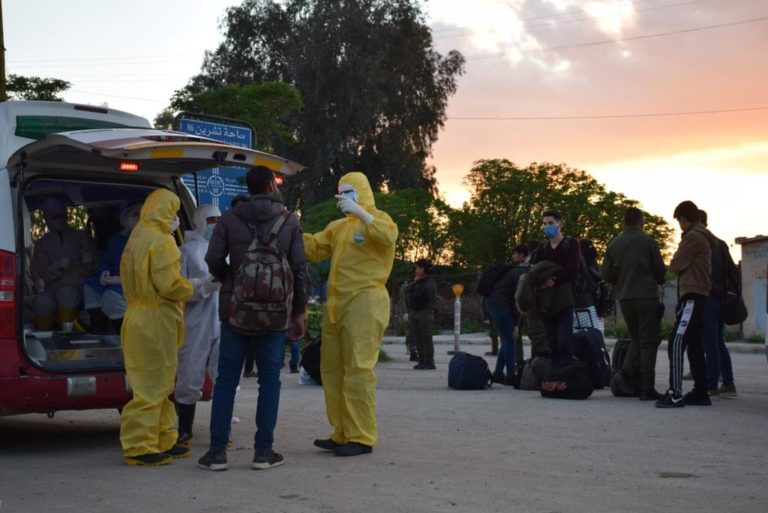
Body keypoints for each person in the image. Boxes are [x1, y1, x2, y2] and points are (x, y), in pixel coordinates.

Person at [198, 166, 308, 471]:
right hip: (275, 316)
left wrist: (231, 279)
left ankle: (217, 453)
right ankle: (263, 452)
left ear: (248, 188)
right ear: (272, 186)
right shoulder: (289, 221)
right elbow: (300, 270)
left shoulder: (230, 219)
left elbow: (212, 259)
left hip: (235, 311)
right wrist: (298, 312)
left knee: (225, 381)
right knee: (270, 381)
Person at [303, 171, 398, 457]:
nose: (343, 198)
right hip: (337, 304)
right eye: (341, 193)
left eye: (349, 192)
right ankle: (341, 432)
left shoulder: (379, 219)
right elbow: (315, 248)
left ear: (362, 192)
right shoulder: (338, 226)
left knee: (358, 369)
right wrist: (288, 226)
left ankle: (361, 436)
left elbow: (388, 237)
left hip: (365, 301)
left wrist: (363, 214)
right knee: (332, 370)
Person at [119, 189, 195, 466]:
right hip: (156, 319)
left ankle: (162, 438)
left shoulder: (136, 238)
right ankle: (140, 446)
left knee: (158, 382)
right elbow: (170, 285)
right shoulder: (161, 241)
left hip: (138, 316)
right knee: (152, 385)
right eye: (174, 212)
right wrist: (194, 287)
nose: (175, 218)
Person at [601, 207, 666, 400]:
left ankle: (623, 375)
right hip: (646, 296)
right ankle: (646, 388)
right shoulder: (647, 241)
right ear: (641, 222)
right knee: (649, 342)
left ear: (624, 222)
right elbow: (660, 270)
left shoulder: (614, 244)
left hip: (625, 297)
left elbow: (605, 273)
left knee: (637, 338)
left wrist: (620, 281)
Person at [656, 200, 713, 408]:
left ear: (684, 219)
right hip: (698, 294)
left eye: (679, 221)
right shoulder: (702, 236)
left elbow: (676, 264)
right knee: (695, 345)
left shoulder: (693, 237)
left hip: (692, 294)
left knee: (677, 341)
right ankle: (700, 391)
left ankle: (675, 392)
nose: (679, 225)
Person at [174, 205, 223, 447]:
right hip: (195, 319)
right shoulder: (186, 251)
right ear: (200, 221)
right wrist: (204, 285)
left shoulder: (226, 250)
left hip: (222, 318)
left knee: (223, 371)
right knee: (190, 369)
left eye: (218, 219)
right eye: (211, 219)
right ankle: (185, 429)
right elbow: (178, 288)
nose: (215, 223)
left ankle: (221, 427)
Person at [31, 198, 98, 330]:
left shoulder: (82, 236)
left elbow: (96, 267)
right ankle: (45, 338)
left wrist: (89, 262)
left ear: (65, 215)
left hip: (79, 286)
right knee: (41, 301)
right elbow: (41, 273)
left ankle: (68, 333)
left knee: (65, 293)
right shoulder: (42, 243)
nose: (57, 218)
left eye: (59, 214)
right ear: (46, 218)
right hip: (53, 288)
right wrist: (57, 266)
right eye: (53, 216)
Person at [83, 200, 142, 333]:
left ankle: (123, 335)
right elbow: (106, 259)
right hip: (114, 280)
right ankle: (99, 331)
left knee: (112, 296)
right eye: (135, 214)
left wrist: (120, 279)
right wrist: (104, 271)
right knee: (90, 286)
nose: (139, 217)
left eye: (141, 214)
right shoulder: (116, 239)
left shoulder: (147, 239)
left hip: (135, 283)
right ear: (125, 218)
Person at [530, 209, 580, 366]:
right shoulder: (542, 248)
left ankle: (566, 373)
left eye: (551, 223)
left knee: (564, 340)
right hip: (546, 300)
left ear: (560, 223)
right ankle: (555, 374)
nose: (547, 227)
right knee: (551, 341)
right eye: (545, 224)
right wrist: (543, 281)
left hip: (564, 299)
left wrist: (554, 280)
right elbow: (534, 270)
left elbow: (572, 269)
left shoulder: (571, 244)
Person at [698, 209, 739, 398]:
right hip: (721, 300)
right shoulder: (721, 244)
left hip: (707, 298)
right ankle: (728, 383)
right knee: (718, 341)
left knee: (710, 343)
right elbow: (732, 271)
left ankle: (712, 384)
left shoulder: (700, 242)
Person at [485, 245, 528, 385]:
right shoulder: (523, 273)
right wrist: (516, 323)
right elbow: (517, 298)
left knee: (506, 339)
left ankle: (498, 373)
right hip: (501, 306)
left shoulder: (514, 270)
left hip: (492, 304)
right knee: (510, 340)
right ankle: (511, 376)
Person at [406, 259, 437, 370]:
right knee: (417, 337)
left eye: (418, 268)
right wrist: (415, 282)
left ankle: (429, 360)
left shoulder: (429, 282)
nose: (416, 270)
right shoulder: (416, 281)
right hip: (415, 312)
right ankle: (422, 360)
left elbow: (430, 298)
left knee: (426, 337)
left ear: (423, 269)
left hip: (425, 312)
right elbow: (408, 292)